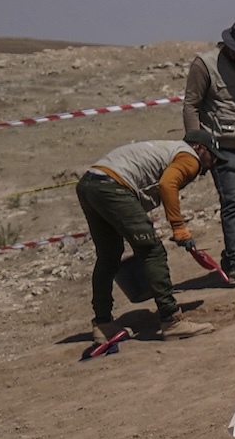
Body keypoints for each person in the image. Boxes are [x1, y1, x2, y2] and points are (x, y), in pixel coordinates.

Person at [75, 136, 217, 338]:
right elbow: (167, 185)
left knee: (108, 255)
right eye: (213, 157)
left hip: (90, 183)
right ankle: (172, 320)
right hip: (113, 186)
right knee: (152, 251)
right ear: (199, 147)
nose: (212, 165)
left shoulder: (168, 148)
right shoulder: (190, 157)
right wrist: (179, 228)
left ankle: (103, 323)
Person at [181, 20, 235, 284]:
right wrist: (197, 145)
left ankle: (231, 260)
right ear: (230, 45)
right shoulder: (205, 64)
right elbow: (191, 105)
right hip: (221, 147)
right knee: (233, 204)